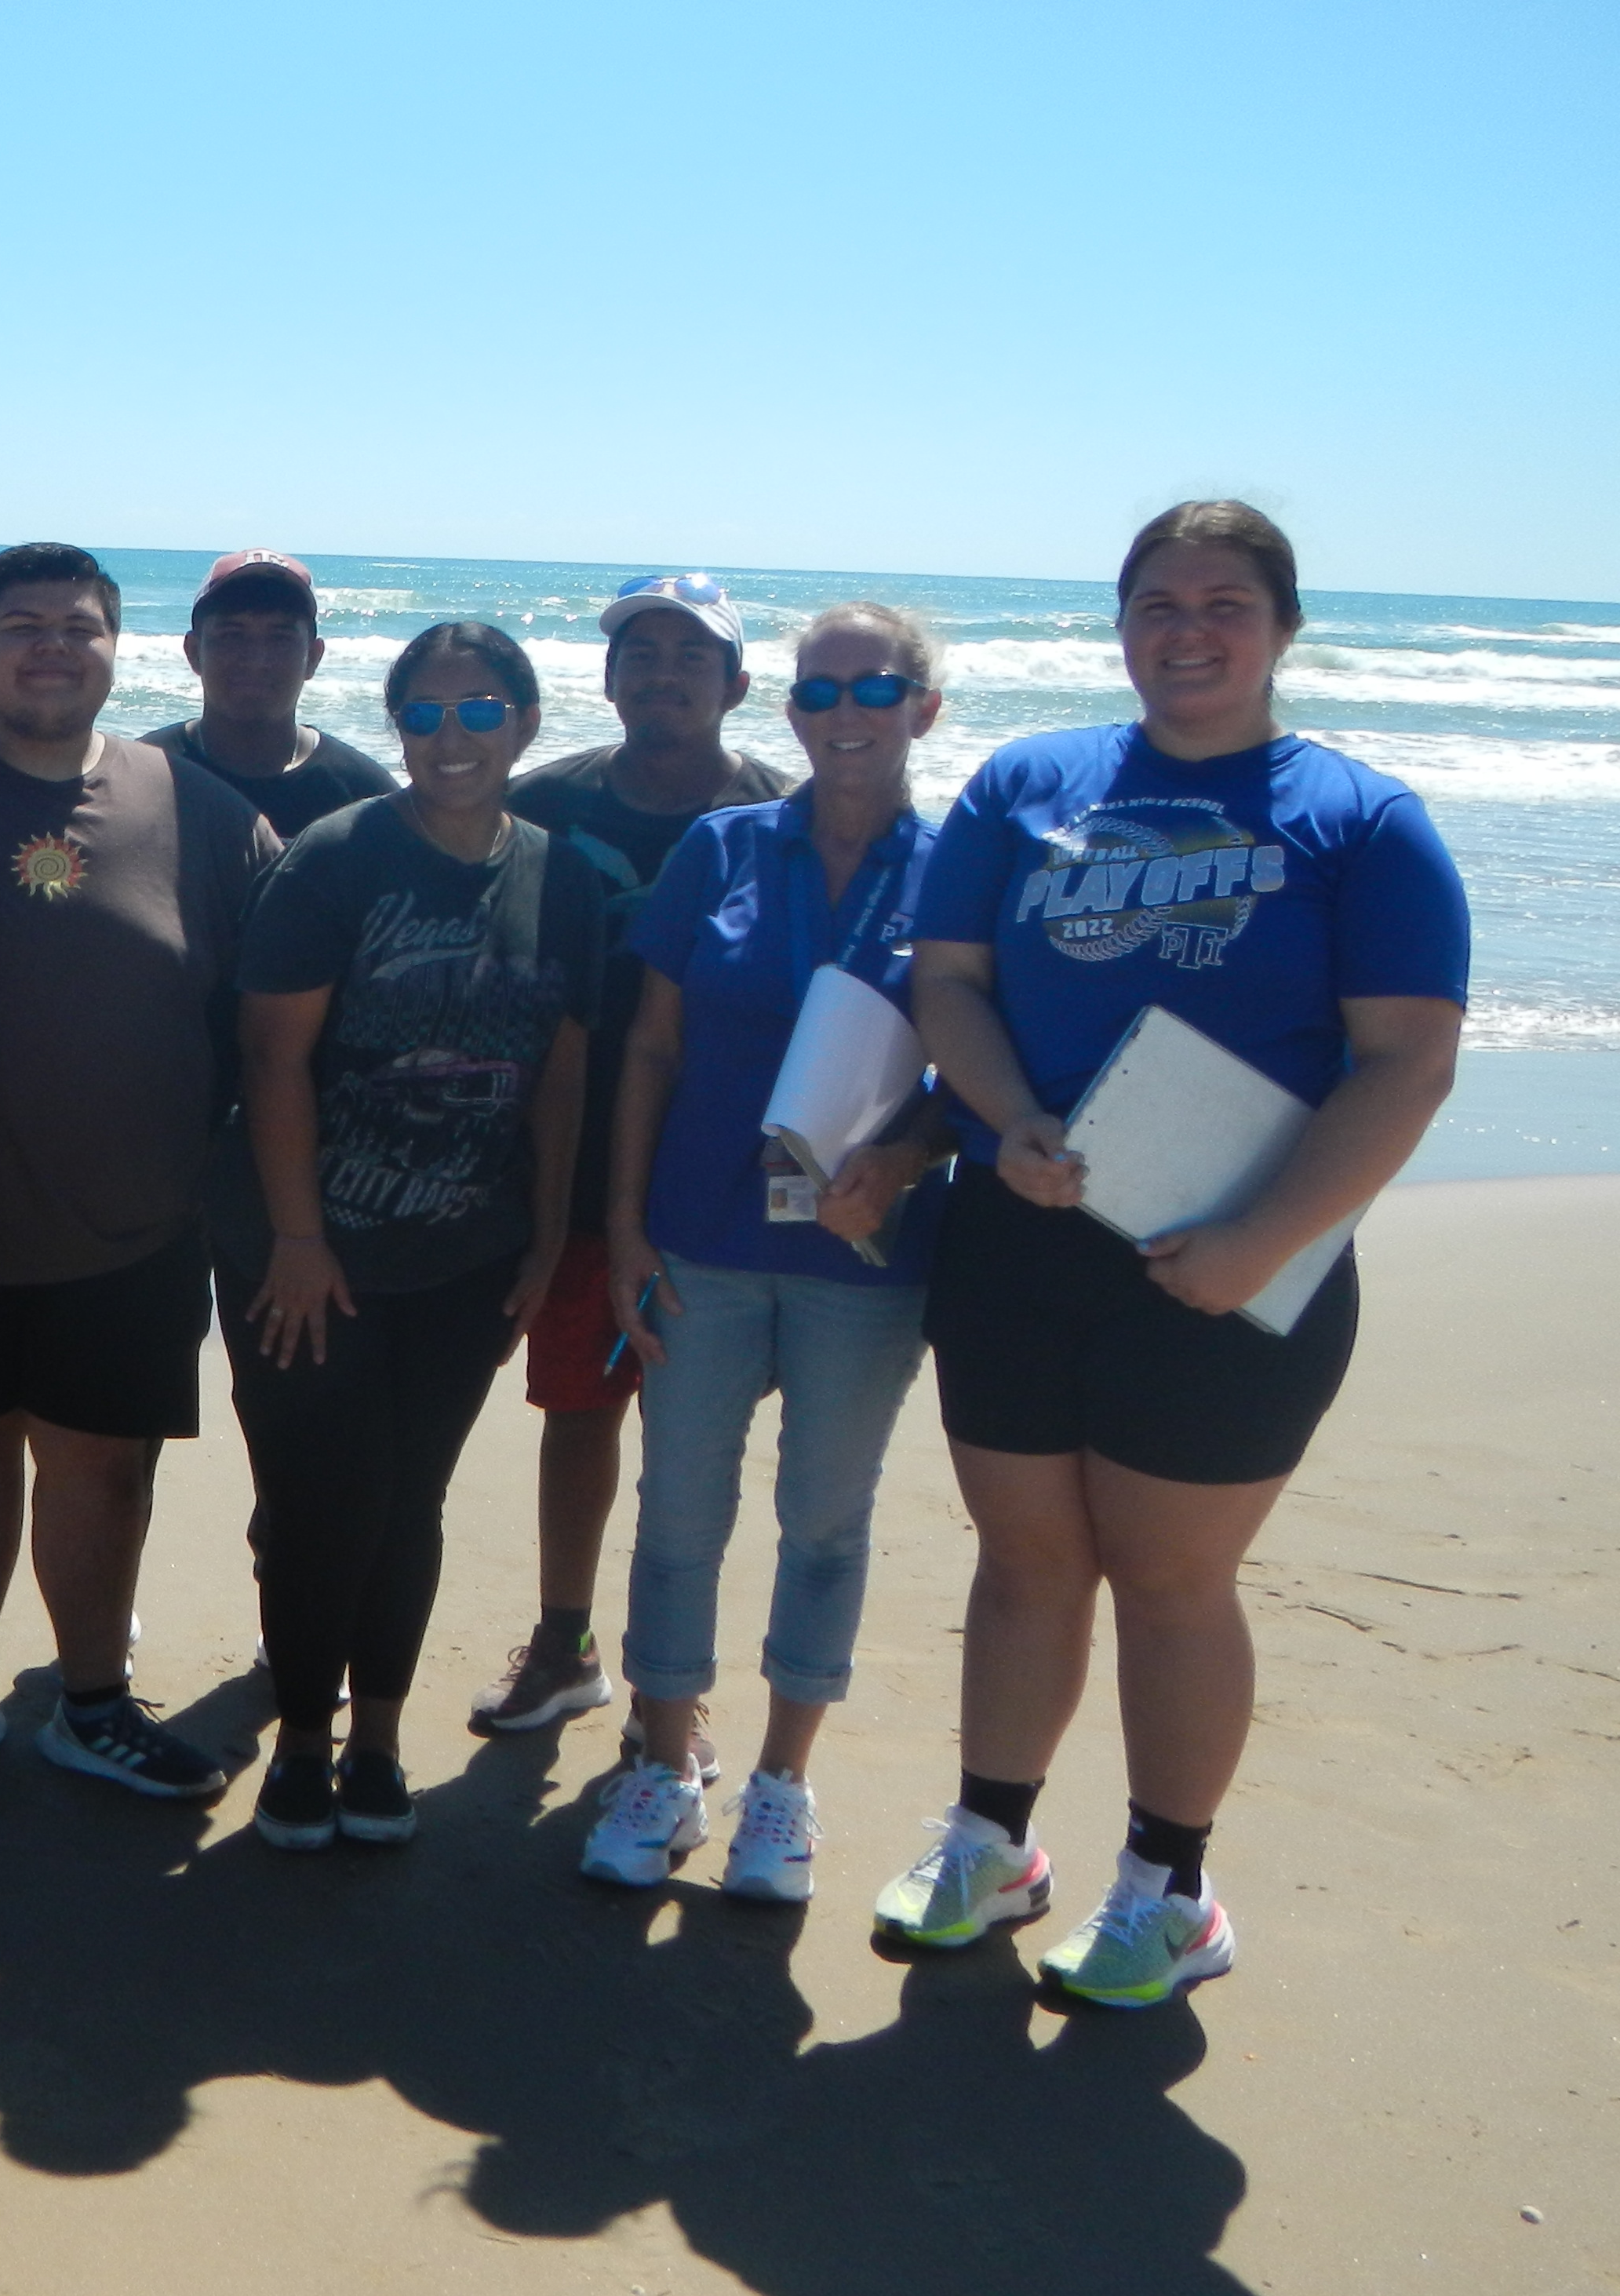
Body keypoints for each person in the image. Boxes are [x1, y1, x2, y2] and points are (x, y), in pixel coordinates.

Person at [882, 500, 1465, 2006]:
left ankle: (1169, 1886)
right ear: (1118, 620)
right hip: (1022, 1232)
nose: (1185, 630)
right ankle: (991, 1842)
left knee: (1167, 1581)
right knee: (1022, 1563)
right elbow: (945, 980)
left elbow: (1401, 1064)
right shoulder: (1027, 782)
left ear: (1280, 626)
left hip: (1231, 1264)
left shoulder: (1358, 819)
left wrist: (1260, 1237)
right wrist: (1002, 1118)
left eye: (1221, 602)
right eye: (1155, 601)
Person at [0, 545, 278, 1802]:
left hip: (137, 1222)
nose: (52, 645)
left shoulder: (199, 808)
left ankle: (92, 1700)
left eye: (80, 625)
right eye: (20, 624)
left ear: (120, 648)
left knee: (103, 1463)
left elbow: (274, 1022)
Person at [581, 604, 952, 1902]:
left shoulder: (966, 865)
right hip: (699, 1239)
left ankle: (781, 1789)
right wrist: (623, 1226)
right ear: (786, 711)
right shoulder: (718, 849)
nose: (843, 712)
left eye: (874, 687)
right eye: (817, 691)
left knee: (823, 1525)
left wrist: (903, 1159)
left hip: (866, 1258)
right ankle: (666, 1766)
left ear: (924, 707)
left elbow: (983, 1068)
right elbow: (646, 1050)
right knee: (677, 1515)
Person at [226, 623, 602, 1850]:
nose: (454, 737)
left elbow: (560, 1074)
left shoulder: (564, 876)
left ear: (527, 726)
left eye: (482, 711)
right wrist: (296, 1238)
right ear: (397, 727)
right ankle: (301, 1742)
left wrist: (544, 1241)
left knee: (410, 1498)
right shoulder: (340, 859)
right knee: (318, 1498)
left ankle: (378, 1738)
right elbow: (273, 1057)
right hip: (307, 1253)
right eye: (428, 714)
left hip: (468, 1257)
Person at [472, 573, 792, 1751]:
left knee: (694, 1441)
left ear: (738, 686)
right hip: (565, 1170)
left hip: (713, 1181)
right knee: (577, 1412)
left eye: (692, 658)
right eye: (640, 656)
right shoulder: (542, 804)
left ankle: (674, 1681)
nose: (663, 675)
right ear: (606, 682)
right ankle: (565, 1644)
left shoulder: (780, 820)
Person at [141, 549, 397, 837]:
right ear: (193, 652)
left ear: (313, 657)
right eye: (232, 635)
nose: (256, 660)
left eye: (280, 638)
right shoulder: (139, 779)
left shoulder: (365, 799)